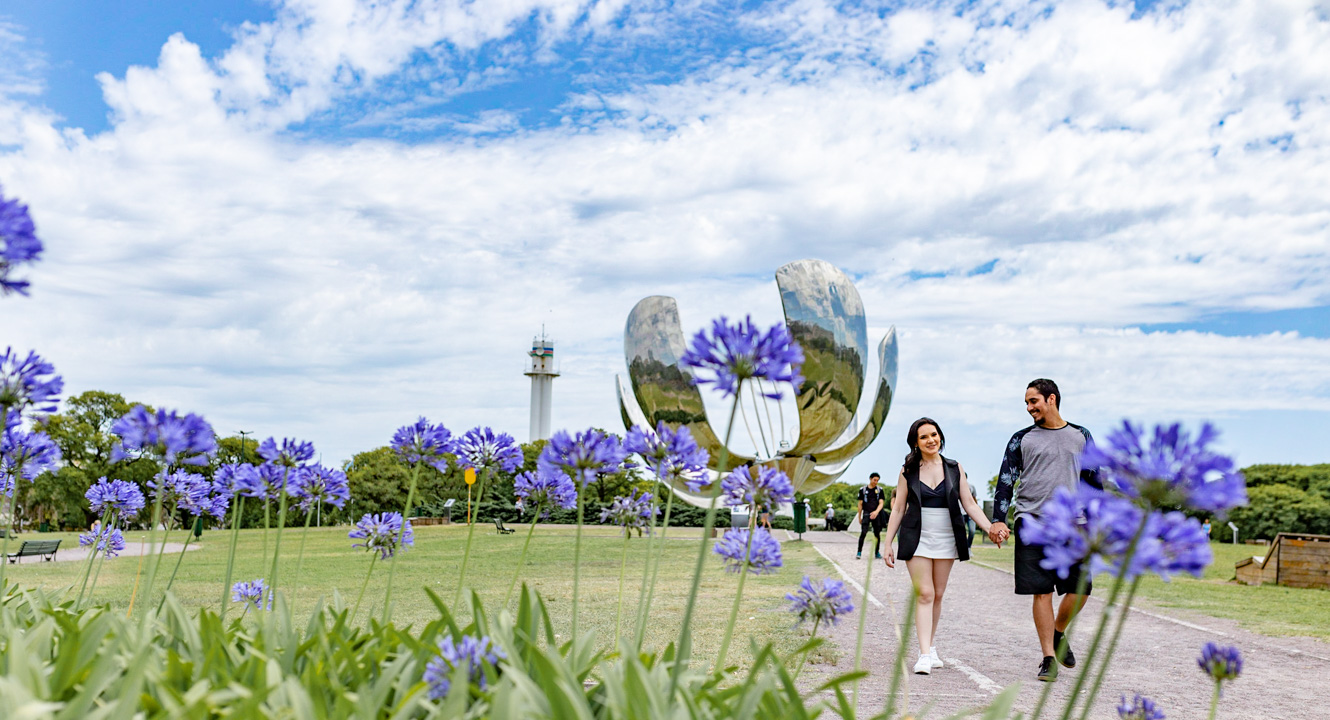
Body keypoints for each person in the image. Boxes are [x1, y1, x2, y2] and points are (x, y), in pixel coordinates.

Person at [988, 378, 1102, 682]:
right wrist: (999, 519)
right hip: (1032, 520)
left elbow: (1094, 483)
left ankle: (1058, 632)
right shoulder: (1021, 439)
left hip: (1073, 524)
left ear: (1051, 399)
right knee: (1041, 591)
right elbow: (1006, 481)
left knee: (1082, 588)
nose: (1029, 408)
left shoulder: (1082, 436)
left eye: (1033, 401)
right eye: (1026, 403)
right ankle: (1048, 658)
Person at [882, 417, 993, 675]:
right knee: (925, 594)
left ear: (940, 436)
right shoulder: (907, 470)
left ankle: (930, 646)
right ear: (915, 443)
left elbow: (970, 504)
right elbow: (898, 507)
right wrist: (888, 543)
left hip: (947, 536)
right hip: (916, 535)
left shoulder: (955, 468)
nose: (931, 440)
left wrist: (989, 528)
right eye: (924, 437)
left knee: (938, 594)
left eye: (934, 434)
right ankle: (923, 655)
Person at [857, 472, 888, 559]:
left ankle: (877, 552)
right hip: (866, 513)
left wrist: (876, 512)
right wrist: (860, 516)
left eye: (877, 480)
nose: (876, 482)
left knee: (877, 534)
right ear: (870, 479)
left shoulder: (880, 490)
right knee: (863, 533)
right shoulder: (862, 490)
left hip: (876, 514)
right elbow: (860, 504)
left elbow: (881, 503)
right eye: (874, 480)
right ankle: (859, 551)